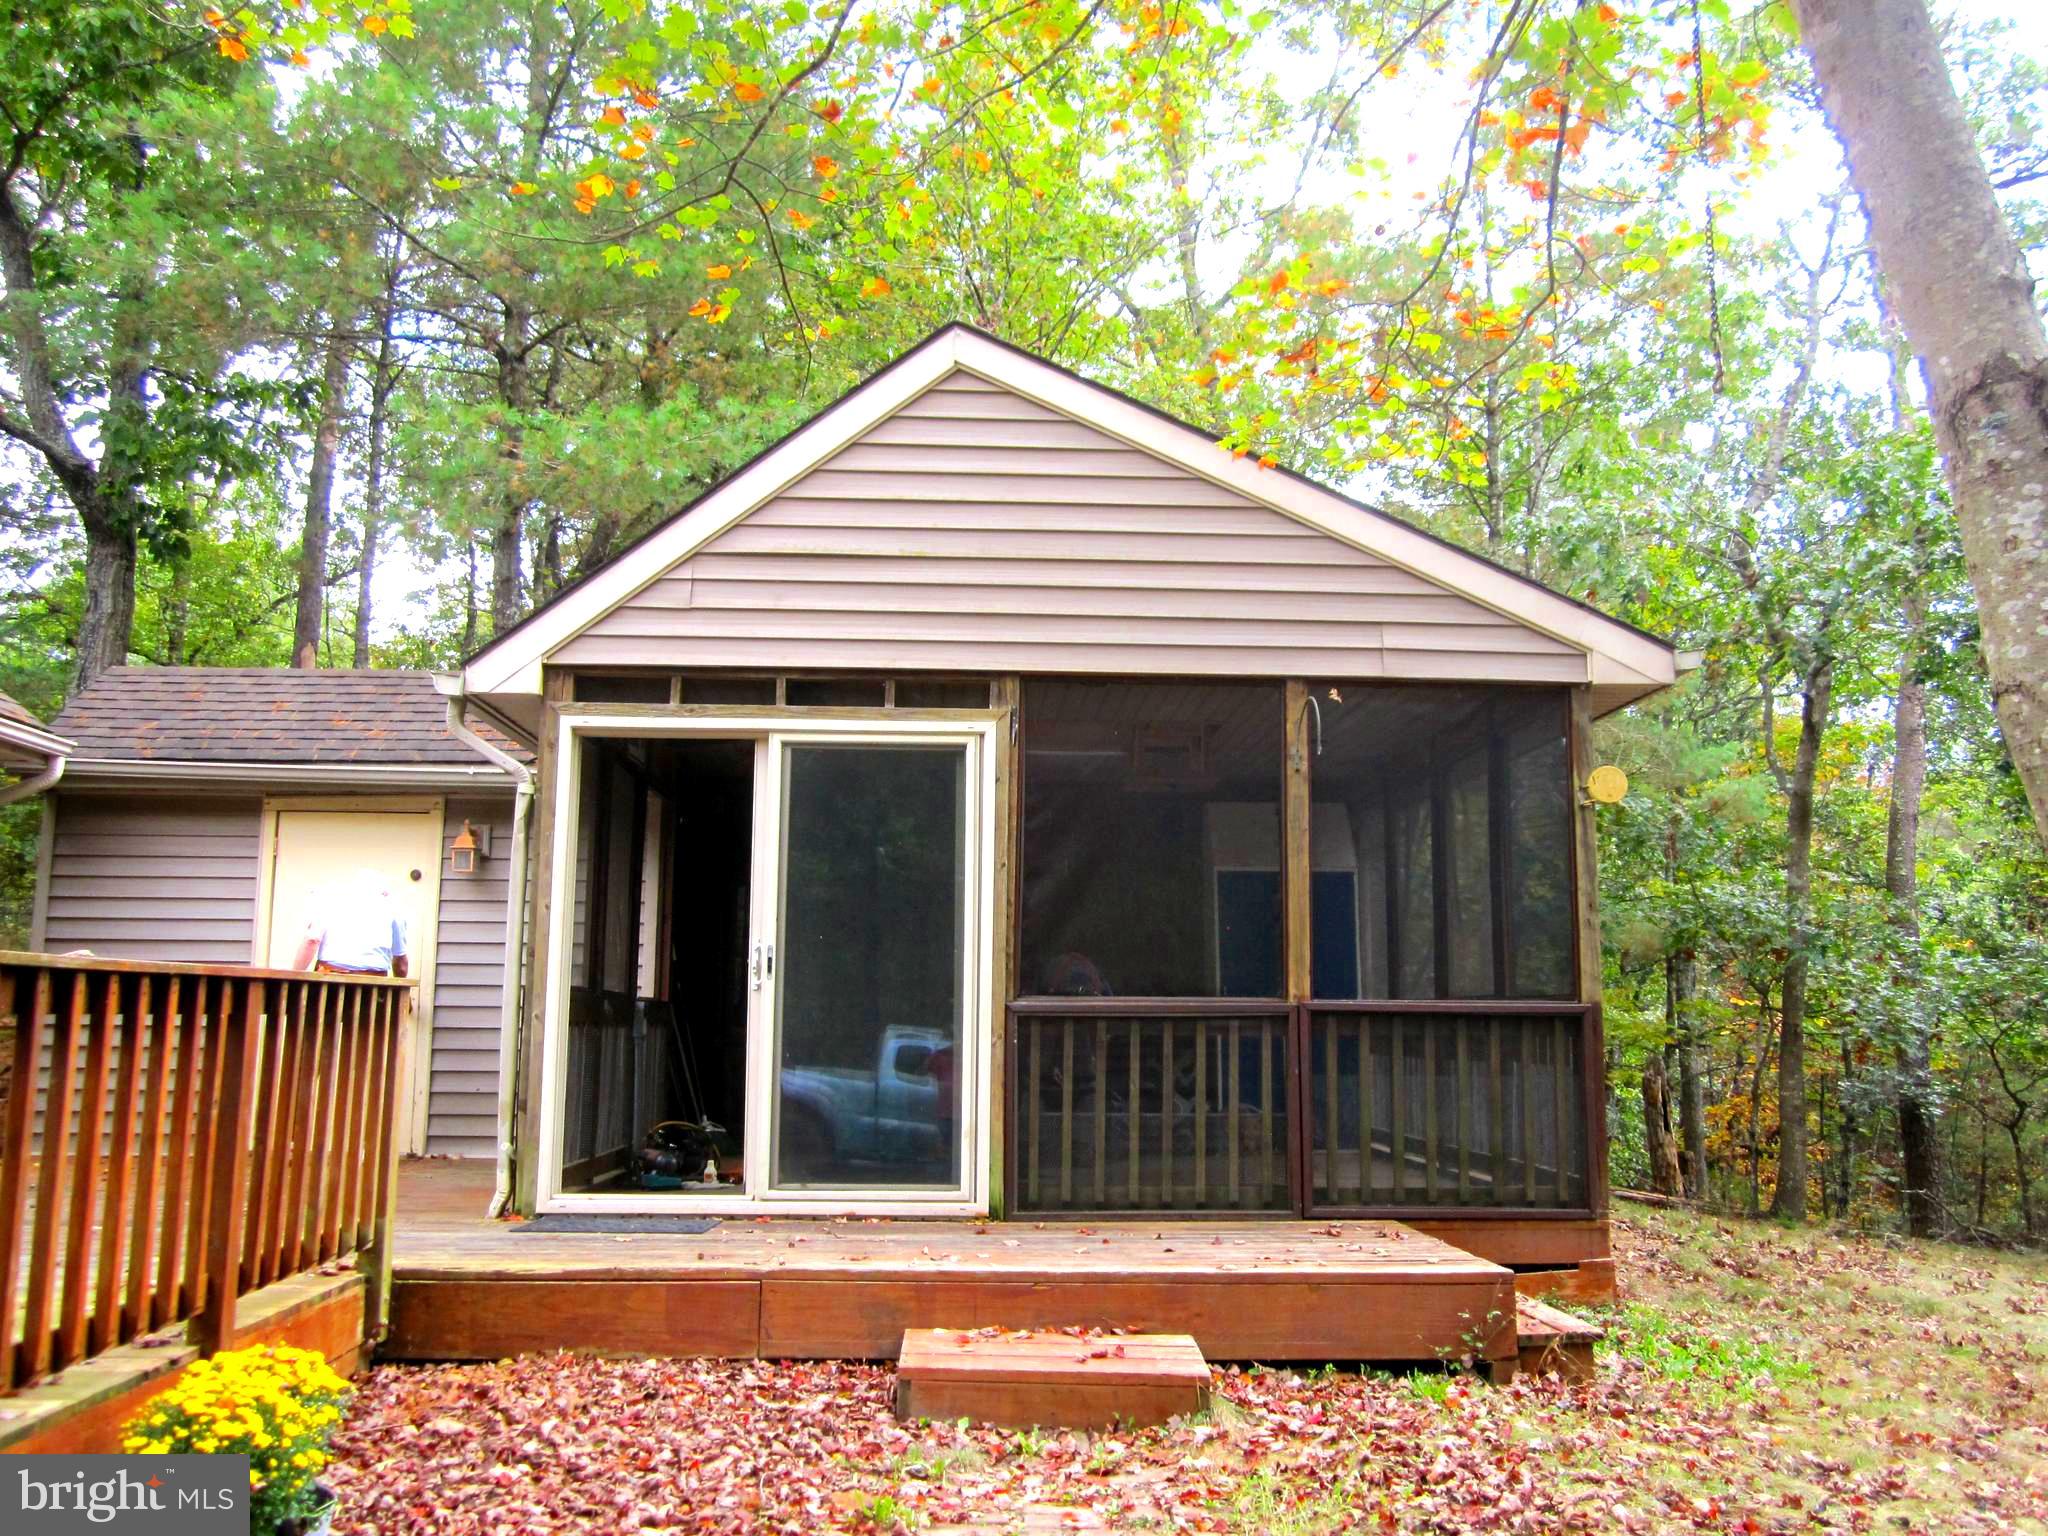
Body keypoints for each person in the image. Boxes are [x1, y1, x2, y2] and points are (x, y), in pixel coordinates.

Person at [291, 868, 410, 977]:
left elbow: (311, 940)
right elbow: (401, 963)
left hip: (329, 982)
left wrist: (294, 978)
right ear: (384, 892)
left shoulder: (330, 902)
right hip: (373, 987)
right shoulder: (393, 909)